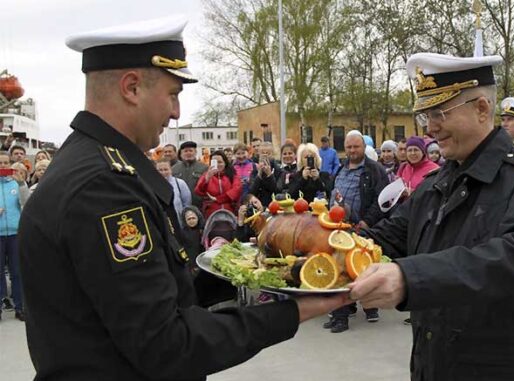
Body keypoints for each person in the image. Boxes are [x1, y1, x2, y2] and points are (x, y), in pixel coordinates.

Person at [17, 16, 346, 380]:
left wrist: (260, 273)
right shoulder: (104, 187)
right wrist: (292, 312)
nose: (176, 113)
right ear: (131, 87)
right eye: (173, 95)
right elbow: (166, 344)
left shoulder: (93, 162)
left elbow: (159, 295)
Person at [348, 53, 514, 380]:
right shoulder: (435, 185)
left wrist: (410, 278)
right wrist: (310, 244)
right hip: (436, 364)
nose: (431, 126)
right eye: (426, 115)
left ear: (482, 108)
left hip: (505, 368)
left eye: (440, 112)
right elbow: (383, 239)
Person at [325, 130, 389, 333]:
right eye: (349, 147)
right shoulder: (341, 169)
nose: (352, 150)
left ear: (364, 147)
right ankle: (340, 313)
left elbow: (383, 200)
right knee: (340, 272)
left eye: (356, 146)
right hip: (340, 228)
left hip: (361, 229)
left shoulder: (375, 170)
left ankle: (345, 316)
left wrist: (366, 222)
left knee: (354, 272)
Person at [0, 152, 29, 321]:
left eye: (5, 163)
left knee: (17, 272)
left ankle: (20, 307)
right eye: (0, 163)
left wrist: (22, 184)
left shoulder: (16, 184)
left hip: (15, 234)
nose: (2, 166)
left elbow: (26, 202)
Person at [194, 150, 242, 219]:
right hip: (211, 214)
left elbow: (236, 190)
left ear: (225, 163)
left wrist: (217, 199)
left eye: (220, 162)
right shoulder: (206, 175)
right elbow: (198, 191)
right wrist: (206, 179)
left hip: (230, 212)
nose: (218, 165)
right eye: (215, 162)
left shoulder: (232, 175)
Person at [172, 140, 208, 207]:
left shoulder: (204, 168)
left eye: (191, 151)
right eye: (185, 151)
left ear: (195, 152)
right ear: (181, 154)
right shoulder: (174, 169)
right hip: (180, 206)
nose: (188, 153)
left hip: (199, 206)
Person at [156, 158, 191, 223]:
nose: (163, 172)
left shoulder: (180, 183)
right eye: (160, 170)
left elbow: (187, 205)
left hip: (179, 222)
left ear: (171, 170)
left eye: (166, 169)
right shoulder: (152, 185)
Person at [248, 141, 280, 206]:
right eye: (262, 153)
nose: (265, 156)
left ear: (272, 155)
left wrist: (269, 175)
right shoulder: (255, 171)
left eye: (268, 153)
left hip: (275, 205)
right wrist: (259, 174)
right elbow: (252, 192)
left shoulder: (278, 170)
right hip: (259, 205)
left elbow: (277, 191)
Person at [181, 206, 205, 278]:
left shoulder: (204, 230)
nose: (191, 221)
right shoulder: (182, 233)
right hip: (190, 265)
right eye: (189, 219)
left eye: (193, 218)